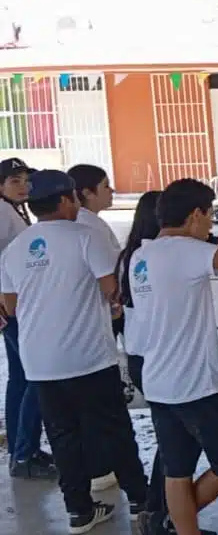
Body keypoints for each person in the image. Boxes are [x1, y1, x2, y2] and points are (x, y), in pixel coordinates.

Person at [0, 170, 150, 535]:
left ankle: (79, 511)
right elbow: (112, 290)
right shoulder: (85, 237)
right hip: (88, 357)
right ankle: (140, 501)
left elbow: (10, 304)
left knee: (63, 435)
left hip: (40, 362)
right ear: (67, 200)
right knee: (114, 429)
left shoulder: (16, 249)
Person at [128, 178, 218, 535]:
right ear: (196, 213)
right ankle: (169, 524)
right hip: (196, 382)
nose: (211, 221)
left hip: (159, 381)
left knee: (177, 470)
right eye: (210, 213)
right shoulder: (185, 250)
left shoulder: (142, 257)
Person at [116, 191, 218, 535]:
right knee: (190, 449)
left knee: (177, 450)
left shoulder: (136, 257)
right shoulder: (167, 254)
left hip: (147, 356)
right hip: (162, 358)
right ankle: (166, 517)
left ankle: (170, 518)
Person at [69, 163, 126, 494]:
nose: (111, 190)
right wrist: (116, 300)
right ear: (86, 193)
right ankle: (100, 467)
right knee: (97, 401)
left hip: (98, 319)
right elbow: (108, 280)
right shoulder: (86, 229)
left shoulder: (92, 224)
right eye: (105, 186)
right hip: (95, 322)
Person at [0, 157, 55, 481]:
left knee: (21, 378)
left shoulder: (15, 211)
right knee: (37, 377)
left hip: (16, 303)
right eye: (14, 181)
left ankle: (23, 451)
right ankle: (24, 454)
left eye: (25, 180)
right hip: (12, 306)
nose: (23, 186)